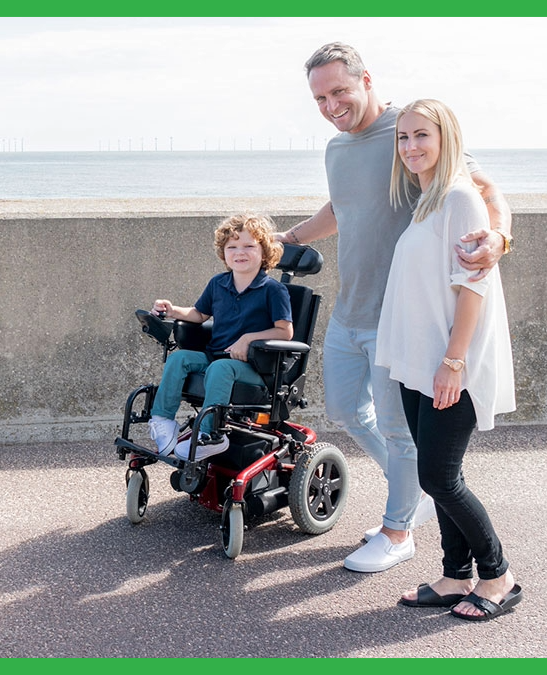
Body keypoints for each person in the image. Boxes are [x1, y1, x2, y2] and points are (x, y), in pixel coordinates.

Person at [276, 42, 514, 574]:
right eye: (320, 97)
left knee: (397, 431)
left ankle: (398, 529)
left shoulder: (409, 131)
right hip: (349, 309)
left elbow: (482, 188)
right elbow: (341, 208)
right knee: (342, 409)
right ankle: (417, 491)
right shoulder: (337, 148)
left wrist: (498, 238)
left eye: (339, 90)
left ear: (366, 80)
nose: (331, 104)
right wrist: (284, 240)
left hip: (399, 320)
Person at [379, 98, 519, 621]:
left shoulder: (460, 197)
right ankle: (455, 574)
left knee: (441, 477)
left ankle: (498, 575)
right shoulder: (427, 199)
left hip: (447, 361)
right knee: (433, 473)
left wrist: (454, 362)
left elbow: (473, 287)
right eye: (403, 138)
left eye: (421, 136)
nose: (411, 147)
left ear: (446, 138)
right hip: (417, 360)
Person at [148, 214, 294, 461]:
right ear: (224, 253)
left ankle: (211, 435)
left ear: (264, 252)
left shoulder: (273, 290)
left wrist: (248, 339)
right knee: (179, 358)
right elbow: (199, 313)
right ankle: (163, 421)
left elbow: (285, 331)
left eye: (249, 246)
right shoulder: (219, 283)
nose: (240, 252)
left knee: (221, 368)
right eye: (232, 247)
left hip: (255, 369)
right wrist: (172, 310)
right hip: (215, 357)